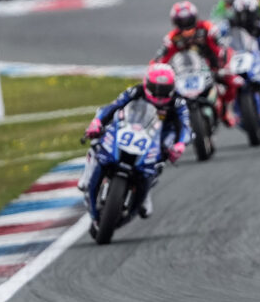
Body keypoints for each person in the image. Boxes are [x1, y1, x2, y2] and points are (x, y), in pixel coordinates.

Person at [76, 63, 192, 219]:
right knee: (99, 139)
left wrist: (180, 144)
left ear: (172, 87)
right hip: (134, 125)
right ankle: (88, 174)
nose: (159, 94)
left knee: (160, 159)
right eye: (155, 88)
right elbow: (113, 106)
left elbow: (185, 125)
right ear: (147, 84)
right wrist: (97, 122)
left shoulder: (179, 101)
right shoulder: (136, 91)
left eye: (164, 90)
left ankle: (145, 192)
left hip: (163, 133)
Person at [154, 0, 238, 127]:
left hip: (212, 67)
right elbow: (160, 59)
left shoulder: (208, 29)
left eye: (188, 21)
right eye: (182, 23)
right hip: (186, 73)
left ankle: (227, 110)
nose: (186, 26)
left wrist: (223, 65)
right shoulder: (171, 39)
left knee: (231, 80)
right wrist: (155, 72)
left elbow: (222, 48)